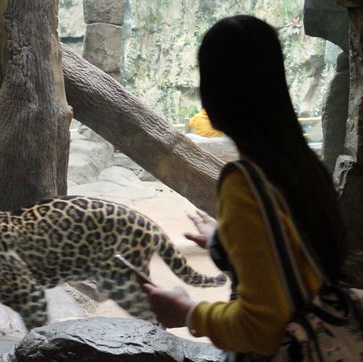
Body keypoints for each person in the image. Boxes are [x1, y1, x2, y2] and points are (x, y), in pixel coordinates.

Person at [138, 15, 346, 357]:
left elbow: (262, 327)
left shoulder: (245, 185)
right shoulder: (304, 164)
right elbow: (302, 268)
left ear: (215, 91)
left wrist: (189, 312)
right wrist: (225, 240)